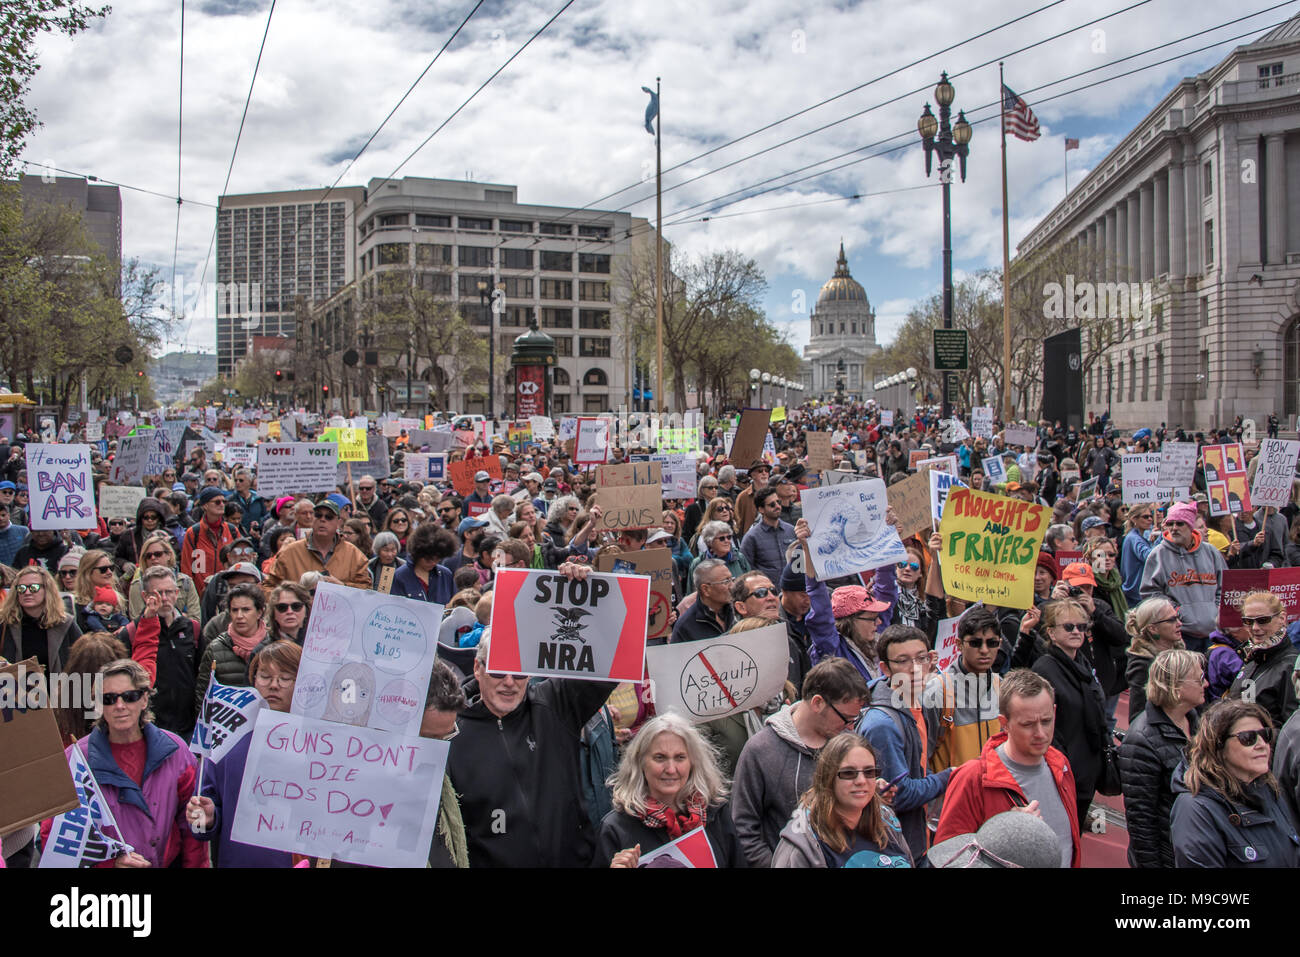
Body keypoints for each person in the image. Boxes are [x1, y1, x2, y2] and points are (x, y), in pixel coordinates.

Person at [448, 564, 617, 868]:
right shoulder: (451, 732)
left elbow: (610, 659)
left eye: (520, 670)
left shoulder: (554, 704)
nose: (510, 682)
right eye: (499, 670)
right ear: (477, 667)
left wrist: (582, 593)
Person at [41, 658, 208, 868]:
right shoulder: (76, 759)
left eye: (129, 697)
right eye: (109, 699)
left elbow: (193, 824)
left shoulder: (176, 751)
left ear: (144, 699)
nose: (120, 706)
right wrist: (109, 864)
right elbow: (54, 837)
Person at [730, 658, 869, 868]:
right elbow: (743, 826)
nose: (850, 727)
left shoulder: (846, 746)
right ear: (818, 703)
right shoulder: (761, 750)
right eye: (845, 718)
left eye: (854, 720)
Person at [935, 669, 1081, 867]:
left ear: (1054, 712)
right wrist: (1005, 831)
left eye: (1046, 721)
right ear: (1004, 724)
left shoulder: (1060, 764)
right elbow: (948, 858)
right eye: (1028, 724)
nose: (1040, 733)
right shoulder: (972, 778)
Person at [187, 641, 301, 867]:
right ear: (253, 680)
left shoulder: (319, 743)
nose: (274, 685)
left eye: (285, 678)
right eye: (265, 677)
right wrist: (203, 820)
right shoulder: (228, 738)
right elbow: (199, 829)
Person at [595, 713, 746, 867]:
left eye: (680, 757)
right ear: (640, 762)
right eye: (660, 758)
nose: (671, 769)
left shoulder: (715, 813)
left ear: (692, 762)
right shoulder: (616, 829)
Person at [1170, 699, 1300, 867]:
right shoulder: (1196, 809)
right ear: (1219, 746)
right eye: (1248, 738)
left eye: (1265, 735)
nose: (1261, 744)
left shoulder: (1268, 789)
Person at [857, 624, 950, 856]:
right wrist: (951, 776)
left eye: (922, 658)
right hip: (893, 849)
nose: (915, 669)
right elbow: (900, 794)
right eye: (903, 661)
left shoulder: (920, 703)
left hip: (918, 838)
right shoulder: (882, 725)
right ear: (885, 669)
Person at [1118, 649, 1206, 868]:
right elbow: (1141, 819)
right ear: (1177, 688)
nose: (1206, 684)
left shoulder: (1195, 722)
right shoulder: (1142, 739)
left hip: (1193, 843)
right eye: (1200, 679)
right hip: (1168, 855)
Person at [771, 733, 913, 868]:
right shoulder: (802, 844)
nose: (861, 781)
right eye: (849, 773)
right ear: (829, 778)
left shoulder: (886, 819)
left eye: (869, 771)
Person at [1031, 598, 1110, 828]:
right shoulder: (1044, 668)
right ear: (1052, 633)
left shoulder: (1085, 666)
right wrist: (1062, 765)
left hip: (1087, 771)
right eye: (1068, 627)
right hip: (1060, 772)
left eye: (1081, 627)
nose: (1076, 631)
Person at [1139, 500, 1225, 654]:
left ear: (1191, 526)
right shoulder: (1158, 554)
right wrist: (1177, 613)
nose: (1174, 528)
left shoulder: (1212, 552)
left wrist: (1215, 611)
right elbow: (1150, 594)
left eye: (1180, 524)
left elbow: (1225, 587)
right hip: (1181, 635)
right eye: (1170, 524)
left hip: (1213, 634)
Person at [128, 565, 203, 740]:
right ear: (145, 596)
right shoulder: (132, 633)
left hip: (188, 727)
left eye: (169, 592)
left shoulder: (193, 629)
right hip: (150, 728)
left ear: (177, 594)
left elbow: (201, 678)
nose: (164, 598)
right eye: (157, 593)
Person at [928, 606, 1003, 772]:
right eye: (975, 643)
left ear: (1000, 644)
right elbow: (921, 758)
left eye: (992, 643)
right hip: (951, 794)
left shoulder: (1002, 688)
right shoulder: (937, 691)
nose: (984, 650)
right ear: (959, 645)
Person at [263, 498, 371, 592]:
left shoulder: (354, 555)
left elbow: (366, 591)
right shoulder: (290, 552)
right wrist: (292, 597)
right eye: (318, 515)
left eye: (329, 517)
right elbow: (268, 588)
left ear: (338, 523)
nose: (322, 519)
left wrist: (342, 587)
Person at [1226, 590, 1300, 727]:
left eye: (1263, 620)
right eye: (1248, 621)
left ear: (1282, 619)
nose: (1255, 628)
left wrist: (1261, 736)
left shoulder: (1291, 665)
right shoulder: (1252, 657)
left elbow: (1293, 726)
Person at [194, 584, 267, 711]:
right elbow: (203, 696)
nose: (239, 616)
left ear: (259, 612)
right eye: (234, 610)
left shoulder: (273, 646)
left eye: (246, 610)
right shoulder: (215, 649)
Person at [0, 565, 80, 674]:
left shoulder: (65, 623)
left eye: (34, 587)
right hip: (14, 688)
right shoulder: (5, 622)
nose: (27, 592)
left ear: (47, 590)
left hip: (57, 689)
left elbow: (83, 658)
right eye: (21, 588)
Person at [1124, 596, 1184, 720]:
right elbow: (1138, 715)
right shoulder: (1143, 664)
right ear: (1153, 628)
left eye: (1178, 617)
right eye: (1172, 620)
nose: (1179, 624)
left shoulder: (1181, 655)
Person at [180, 486, 238, 596]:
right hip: (201, 594)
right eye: (217, 502)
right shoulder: (193, 533)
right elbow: (187, 567)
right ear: (205, 505)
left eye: (224, 501)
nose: (222, 504)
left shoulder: (232, 531)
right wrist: (189, 595)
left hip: (228, 594)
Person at [739, 486, 796, 585]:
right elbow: (746, 570)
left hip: (792, 590)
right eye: (772, 505)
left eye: (778, 502)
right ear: (761, 509)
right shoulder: (751, 537)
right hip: (767, 593)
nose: (777, 506)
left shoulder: (791, 530)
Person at [390, 522, 458, 604]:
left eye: (438, 559)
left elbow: (453, 604)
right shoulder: (400, 576)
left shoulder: (445, 574)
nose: (433, 563)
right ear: (417, 554)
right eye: (428, 559)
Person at [670, 558, 735, 643]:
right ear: (705, 589)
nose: (732, 586)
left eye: (732, 579)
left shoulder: (739, 611)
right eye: (726, 581)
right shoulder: (685, 626)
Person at [686, 521, 751, 592]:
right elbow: (691, 593)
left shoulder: (739, 558)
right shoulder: (698, 563)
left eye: (729, 537)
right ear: (709, 541)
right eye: (722, 538)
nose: (727, 541)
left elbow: (749, 585)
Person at [264, 582, 311, 647]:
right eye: (282, 607)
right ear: (273, 613)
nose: (289, 611)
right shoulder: (261, 650)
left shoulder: (319, 646)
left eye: (296, 606)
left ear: (306, 611)